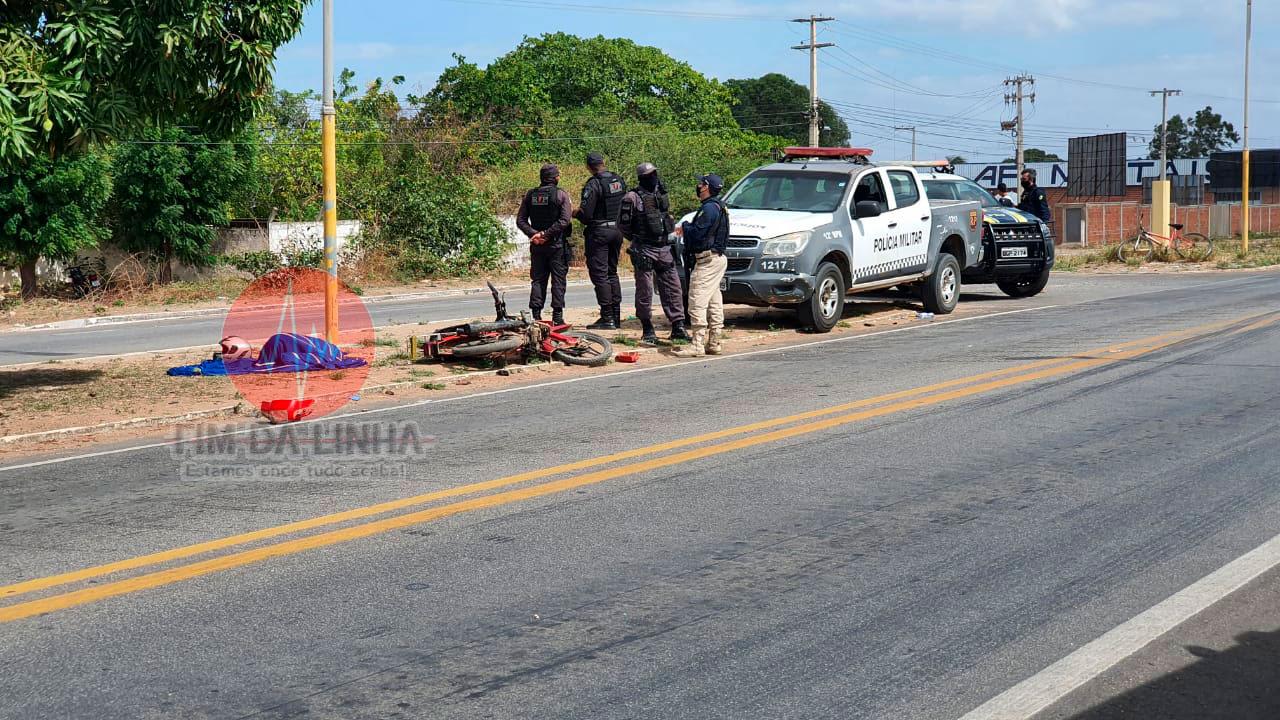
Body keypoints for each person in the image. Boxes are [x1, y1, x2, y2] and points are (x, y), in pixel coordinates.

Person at [620, 162, 690, 344]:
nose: (653, 177)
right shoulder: (632, 198)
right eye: (649, 175)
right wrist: (638, 240)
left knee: (673, 287)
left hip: (664, 247)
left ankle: (678, 326)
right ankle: (647, 328)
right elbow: (623, 225)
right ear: (642, 178)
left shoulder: (661, 194)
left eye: (654, 174)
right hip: (644, 248)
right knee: (645, 290)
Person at [673, 174, 730, 358]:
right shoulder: (719, 206)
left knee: (697, 300)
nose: (697, 186)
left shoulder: (709, 209)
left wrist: (686, 227)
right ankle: (714, 342)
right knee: (714, 300)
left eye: (700, 183)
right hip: (717, 259)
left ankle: (697, 344)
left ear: (706, 187)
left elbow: (699, 234)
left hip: (708, 260)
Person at [573, 152, 628, 330]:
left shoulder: (594, 184)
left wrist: (575, 213)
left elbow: (586, 214)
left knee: (600, 274)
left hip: (600, 232)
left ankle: (607, 318)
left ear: (589, 167)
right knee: (612, 272)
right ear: (603, 162)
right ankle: (616, 315)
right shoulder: (618, 180)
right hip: (618, 230)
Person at [516, 163, 573, 324]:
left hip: (537, 245)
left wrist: (534, 234)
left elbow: (520, 220)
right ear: (555, 178)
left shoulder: (530, 195)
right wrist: (546, 235)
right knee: (558, 279)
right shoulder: (561, 195)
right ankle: (557, 316)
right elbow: (564, 220)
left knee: (538, 280)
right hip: (556, 244)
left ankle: (536, 315)